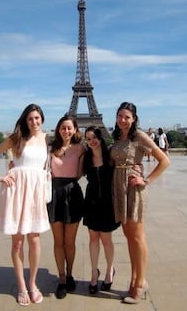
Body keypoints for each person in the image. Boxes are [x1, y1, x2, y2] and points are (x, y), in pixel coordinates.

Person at [0, 104, 50, 306]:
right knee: (18, 242)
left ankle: (33, 283)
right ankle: (22, 286)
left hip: (35, 192)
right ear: (25, 120)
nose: (34, 122)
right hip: (17, 190)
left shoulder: (46, 138)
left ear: (42, 119)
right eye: (30, 118)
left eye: (37, 118)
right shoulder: (16, 138)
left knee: (35, 240)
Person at [110, 102, 170, 304]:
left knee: (136, 237)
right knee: (128, 237)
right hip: (118, 188)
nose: (122, 120)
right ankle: (135, 278)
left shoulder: (139, 136)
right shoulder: (118, 137)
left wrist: (146, 181)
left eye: (127, 117)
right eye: (120, 116)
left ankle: (141, 282)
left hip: (133, 188)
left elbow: (164, 160)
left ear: (134, 118)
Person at [47, 115, 86, 299]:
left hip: (72, 193)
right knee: (58, 241)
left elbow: (81, 173)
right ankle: (62, 278)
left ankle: (69, 274)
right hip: (54, 194)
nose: (66, 131)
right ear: (58, 129)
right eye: (63, 127)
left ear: (75, 130)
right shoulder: (49, 148)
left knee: (69, 242)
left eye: (69, 128)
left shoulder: (81, 149)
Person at [83, 126, 120, 294]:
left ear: (100, 137)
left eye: (94, 137)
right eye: (88, 138)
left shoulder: (111, 155)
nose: (92, 141)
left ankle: (109, 270)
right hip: (91, 201)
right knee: (93, 238)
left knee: (106, 239)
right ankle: (93, 272)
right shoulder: (85, 157)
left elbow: (126, 167)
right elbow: (74, 174)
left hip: (107, 202)